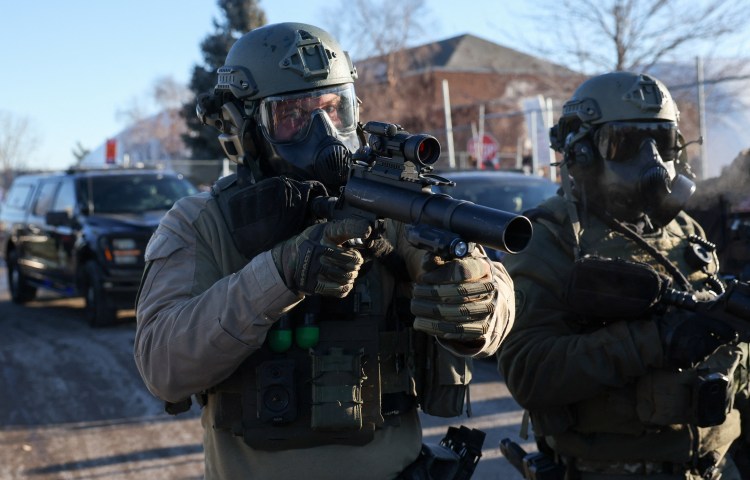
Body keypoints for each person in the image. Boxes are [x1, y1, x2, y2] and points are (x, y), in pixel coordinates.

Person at [133, 22, 516, 480]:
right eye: (293, 115)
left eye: (335, 109)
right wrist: (278, 275)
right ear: (244, 126)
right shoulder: (202, 223)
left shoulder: (392, 203)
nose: (325, 133)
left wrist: (475, 294)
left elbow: (497, 304)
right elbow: (163, 365)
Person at [497, 71, 750, 479]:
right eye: (627, 143)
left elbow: (734, 362)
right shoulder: (550, 238)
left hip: (711, 467)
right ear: (581, 153)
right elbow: (528, 371)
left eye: (663, 142)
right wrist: (656, 340)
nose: (652, 160)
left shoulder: (687, 233)